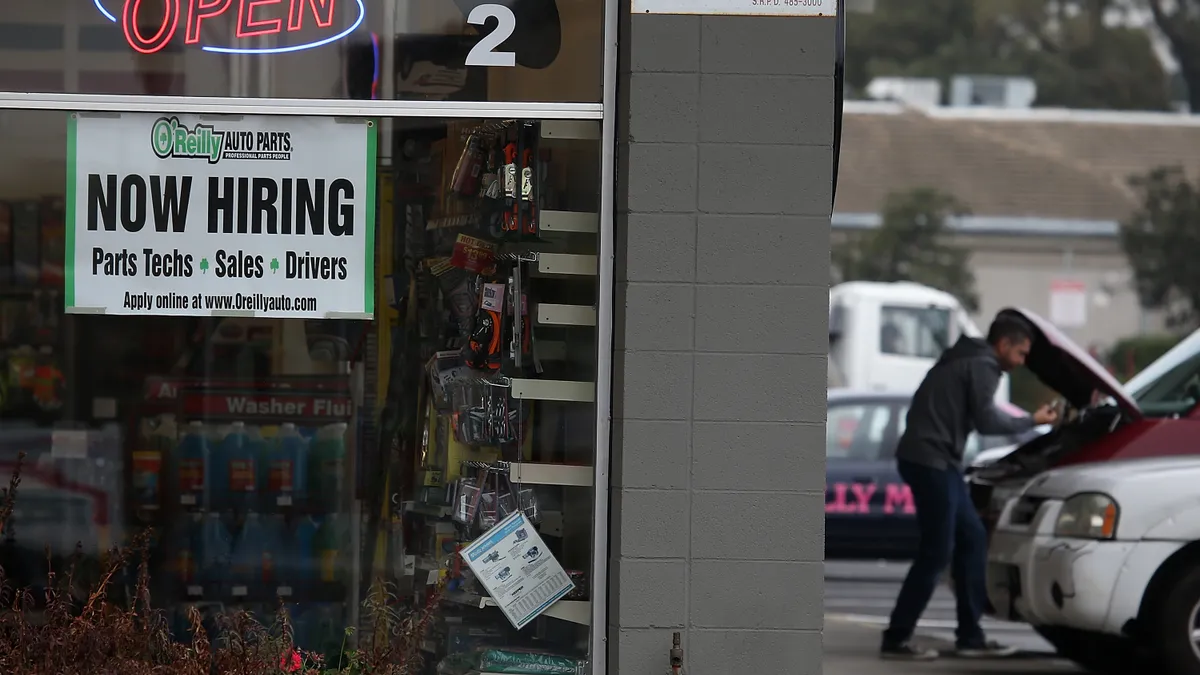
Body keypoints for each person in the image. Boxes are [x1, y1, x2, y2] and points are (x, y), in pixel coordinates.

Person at [881, 312, 1059, 661]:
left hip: (932, 459)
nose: (1022, 363)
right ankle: (896, 638)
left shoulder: (963, 357)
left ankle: (970, 637)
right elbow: (987, 420)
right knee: (937, 550)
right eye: (1020, 354)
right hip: (932, 461)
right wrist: (1032, 420)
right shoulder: (983, 365)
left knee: (973, 536)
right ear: (1003, 345)